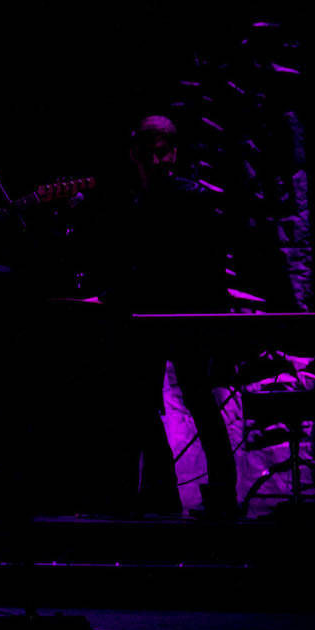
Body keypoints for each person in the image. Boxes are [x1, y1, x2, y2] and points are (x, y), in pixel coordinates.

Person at [98, 114, 238, 520]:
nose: (159, 162)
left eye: (164, 153)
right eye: (151, 154)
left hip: (185, 317)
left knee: (196, 401)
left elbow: (210, 268)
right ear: (135, 155)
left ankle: (216, 494)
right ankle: (164, 492)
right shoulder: (136, 203)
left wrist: (214, 326)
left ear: (174, 154)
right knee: (146, 405)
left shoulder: (190, 198)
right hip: (149, 319)